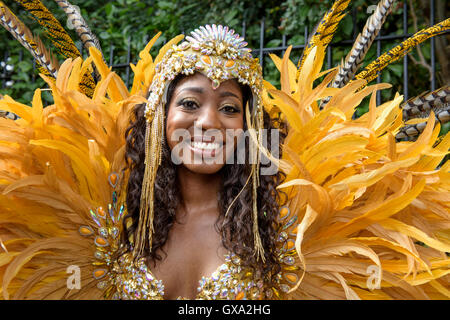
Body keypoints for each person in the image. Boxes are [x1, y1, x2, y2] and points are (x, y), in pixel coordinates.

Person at [0, 2, 449, 300]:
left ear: (248, 128)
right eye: (190, 103)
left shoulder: (284, 232)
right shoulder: (112, 222)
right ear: (159, 119)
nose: (209, 122)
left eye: (230, 108)